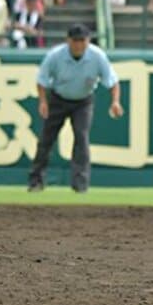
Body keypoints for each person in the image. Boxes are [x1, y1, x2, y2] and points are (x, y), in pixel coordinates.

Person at [28, 24, 123, 193]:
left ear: (88, 41)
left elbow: (112, 81)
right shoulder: (56, 56)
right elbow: (42, 80)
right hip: (58, 99)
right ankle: (36, 181)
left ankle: (80, 185)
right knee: (46, 140)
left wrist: (115, 102)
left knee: (81, 138)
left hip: (83, 101)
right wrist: (43, 101)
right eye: (75, 41)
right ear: (68, 41)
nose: (79, 45)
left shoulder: (97, 56)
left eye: (83, 41)